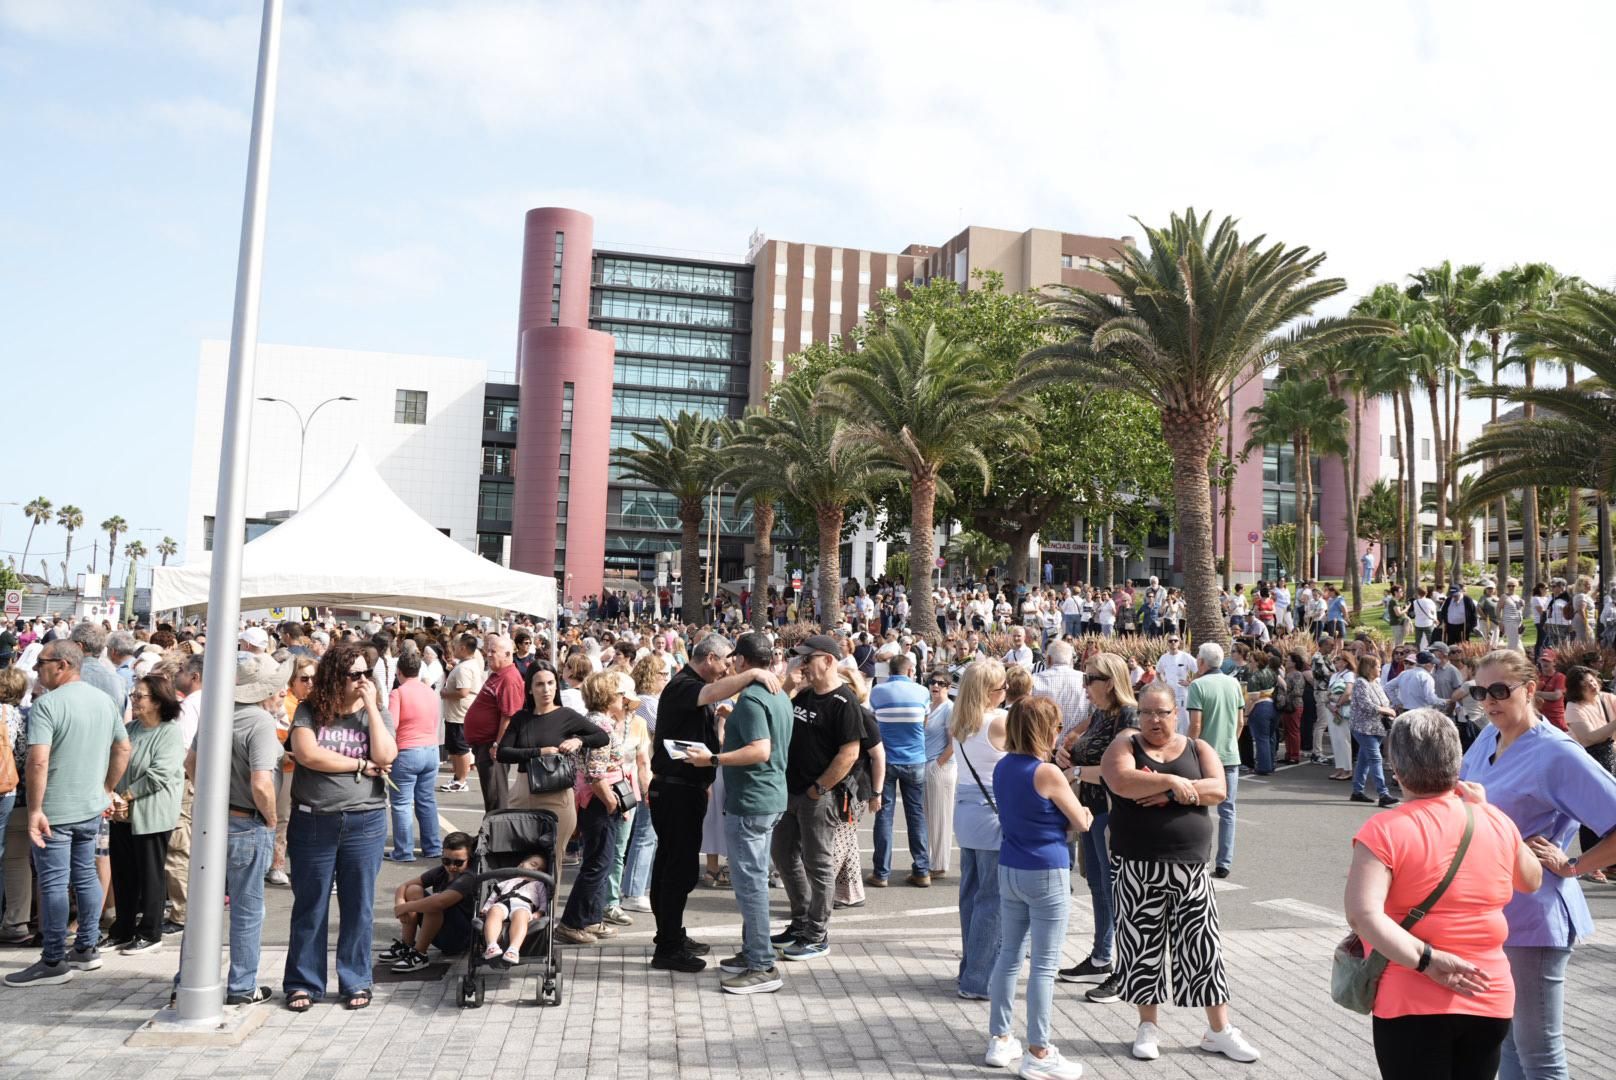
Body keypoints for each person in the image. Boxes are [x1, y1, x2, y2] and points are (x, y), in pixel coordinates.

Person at [1344, 709, 1543, 1080]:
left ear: (1397, 770)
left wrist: (1426, 962)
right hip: (1487, 991)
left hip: (1409, 993)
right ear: (1457, 762)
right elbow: (1531, 880)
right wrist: (1488, 811)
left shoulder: (1385, 829)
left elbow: (1362, 915)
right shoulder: (1493, 819)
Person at [1459, 648, 1616, 1078]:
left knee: (1540, 1054)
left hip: (1535, 918)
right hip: (1492, 914)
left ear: (1530, 690)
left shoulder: (1555, 753)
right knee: (1507, 1045)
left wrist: (1574, 864)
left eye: (1498, 690)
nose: (1488, 700)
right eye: (1479, 691)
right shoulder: (1488, 736)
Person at [1101, 683, 1260, 1064]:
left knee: (1203, 947)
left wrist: (1169, 793)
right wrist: (1174, 781)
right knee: (1142, 947)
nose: (1155, 720)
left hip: (1190, 865)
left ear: (1178, 713)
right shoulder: (1126, 744)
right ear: (1138, 715)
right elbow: (1121, 781)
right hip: (1136, 864)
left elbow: (1218, 790)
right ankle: (1147, 1026)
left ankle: (1218, 1030)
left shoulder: (1197, 748)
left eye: (1162, 712)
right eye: (1147, 713)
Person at [4, 641, 130, 987]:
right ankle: (87, 947)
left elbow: (38, 760)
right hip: (89, 806)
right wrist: (105, 787)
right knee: (85, 876)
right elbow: (123, 747)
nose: (37, 670)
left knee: (55, 883)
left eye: (41, 663)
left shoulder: (47, 705)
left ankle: (54, 958)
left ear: (61, 665)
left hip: (56, 809)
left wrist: (35, 811)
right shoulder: (103, 701)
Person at [981, 698, 1093, 1080]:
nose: (1060, 730)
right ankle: (1039, 1050)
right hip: (1045, 868)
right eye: (1056, 725)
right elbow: (1079, 820)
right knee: (1043, 966)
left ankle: (1000, 1037)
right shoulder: (1046, 772)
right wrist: (1085, 813)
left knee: (1009, 954)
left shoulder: (1004, 766)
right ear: (1045, 729)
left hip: (1010, 865)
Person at [282, 642, 398, 1013]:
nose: (363, 680)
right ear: (336, 676)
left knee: (358, 905)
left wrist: (373, 709)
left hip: (364, 819)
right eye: (355, 675)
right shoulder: (310, 709)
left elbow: (386, 755)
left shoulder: (373, 710)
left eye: (367, 674)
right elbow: (308, 754)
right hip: (314, 818)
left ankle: (356, 980)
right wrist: (360, 766)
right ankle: (304, 981)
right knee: (311, 905)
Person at [650, 634, 775, 972]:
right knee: (678, 869)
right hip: (675, 789)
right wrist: (750, 675)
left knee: (671, 866)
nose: (725, 670)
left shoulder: (691, 685)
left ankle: (671, 933)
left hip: (684, 788)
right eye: (723, 662)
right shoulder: (684, 684)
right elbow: (707, 693)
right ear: (709, 658)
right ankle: (668, 947)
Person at [683, 632, 793, 995]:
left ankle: (761, 964)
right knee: (753, 882)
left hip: (752, 801)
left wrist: (713, 759)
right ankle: (753, 954)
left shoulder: (754, 699)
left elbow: (760, 750)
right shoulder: (776, 696)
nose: (730, 665)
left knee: (751, 887)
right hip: (767, 798)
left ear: (743, 662)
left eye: (734, 659)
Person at [771, 635, 863, 965]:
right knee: (782, 854)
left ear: (827, 660)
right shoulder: (804, 693)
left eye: (808, 659)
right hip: (790, 790)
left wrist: (820, 788)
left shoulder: (843, 701)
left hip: (817, 795)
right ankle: (800, 922)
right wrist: (787, 687)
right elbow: (775, 718)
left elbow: (849, 753)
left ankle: (817, 933)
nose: (803, 665)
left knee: (818, 863)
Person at [1055, 652, 1136, 1001]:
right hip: (1089, 808)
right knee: (1098, 885)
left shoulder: (1128, 715)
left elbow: (1120, 768)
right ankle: (1102, 956)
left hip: (1112, 811)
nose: (1084, 685)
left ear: (1111, 681)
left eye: (1090, 679)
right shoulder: (1099, 714)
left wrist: (1073, 772)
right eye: (1084, 678)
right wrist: (1066, 756)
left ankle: (1126, 969)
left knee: (1117, 890)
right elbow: (1087, 755)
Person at [104, 674, 185, 954]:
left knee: (150, 875)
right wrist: (115, 796)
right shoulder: (131, 729)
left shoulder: (170, 732)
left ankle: (151, 931)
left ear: (158, 701)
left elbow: (160, 774)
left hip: (152, 813)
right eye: (134, 695)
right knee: (124, 874)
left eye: (140, 696)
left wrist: (126, 796)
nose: (134, 700)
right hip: (123, 813)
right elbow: (115, 762)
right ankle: (123, 929)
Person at [553, 671, 635, 945]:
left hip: (594, 799)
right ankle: (571, 923)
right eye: (620, 694)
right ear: (607, 696)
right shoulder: (601, 726)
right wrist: (612, 802)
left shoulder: (596, 721)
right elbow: (595, 773)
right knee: (598, 863)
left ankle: (592, 918)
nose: (623, 699)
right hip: (599, 801)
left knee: (601, 860)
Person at [951, 657, 1009, 1000]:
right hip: (993, 814)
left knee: (971, 896)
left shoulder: (960, 721)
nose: (1005, 693)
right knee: (992, 899)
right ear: (988, 692)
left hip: (967, 812)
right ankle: (979, 978)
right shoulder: (999, 722)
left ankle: (970, 968)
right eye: (1001, 688)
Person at [867, 652, 930, 888]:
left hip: (886, 761)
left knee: (884, 816)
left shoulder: (878, 692)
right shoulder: (922, 692)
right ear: (910, 671)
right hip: (915, 760)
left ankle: (881, 873)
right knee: (916, 816)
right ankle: (922, 870)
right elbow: (924, 722)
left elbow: (872, 724)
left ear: (889, 671)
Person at [1186, 643, 1243, 880]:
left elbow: (1196, 724)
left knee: (1197, 806)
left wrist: (1186, 749)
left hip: (1203, 756)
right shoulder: (1234, 683)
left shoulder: (1198, 685)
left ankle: (1198, 857)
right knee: (1227, 810)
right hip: (1229, 755)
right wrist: (1231, 743)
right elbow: (1240, 721)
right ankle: (1224, 862)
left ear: (1201, 662)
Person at [385, 832, 478, 973]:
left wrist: (405, 907)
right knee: (413, 889)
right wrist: (400, 904)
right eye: (446, 861)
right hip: (439, 930)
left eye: (458, 862)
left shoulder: (468, 878)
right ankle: (407, 946)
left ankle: (420, 954)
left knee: (433, 903)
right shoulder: (442, 872)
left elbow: (439, 902)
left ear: (469, 858)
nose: (451, 867)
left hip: (459, 939)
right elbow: (403, 887)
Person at [618, 655, 668, 913]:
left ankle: (633, 888)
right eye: (662, 674)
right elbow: (664, 730)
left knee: (645, 833)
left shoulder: (645, 702)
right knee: (645, 834)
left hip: (642, 768)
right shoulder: (648, 703)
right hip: (645, 769)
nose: (666, 678)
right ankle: (634, 891)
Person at [386, 650, 442, 862]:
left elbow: (392, 725)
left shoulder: (398, 693)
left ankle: (403, 851)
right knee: (426, 800)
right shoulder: (429, 691)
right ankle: (433, 846)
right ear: (418, 670)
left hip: (408, 750)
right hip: (431, 749)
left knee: (401, 803)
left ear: (399, 671)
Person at [1564, 665, 1616, 881]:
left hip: (1611, 758)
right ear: (1577, 689)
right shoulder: (1573, 707)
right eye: (1587, 684)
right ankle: (1590, 865)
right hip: (1589, 761)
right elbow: (1589, 738)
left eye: (1593, 680)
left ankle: (1610, 864)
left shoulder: (1607, 699)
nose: (1593, 685)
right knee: (1593, 813)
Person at [463, 635, 522, 813]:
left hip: (492, 746)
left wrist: (498, 744)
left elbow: (509, 716)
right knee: (492, 798)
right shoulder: (498, 674)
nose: (488, 654)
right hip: (485, 744)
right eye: (488, 650)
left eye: (493, 651)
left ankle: (497, 837)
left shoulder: (509, 678)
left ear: (507, 654)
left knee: (496, 799)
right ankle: (491, 834)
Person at [479, 854, 550, 967]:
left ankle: (513, 949)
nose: (535, 870)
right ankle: (491, 945)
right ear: (520, 865)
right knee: (494, 911)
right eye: (533, 865)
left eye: (540, 870)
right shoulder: (504, 883)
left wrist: (540, 912)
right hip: (502, 903)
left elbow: (544, 901)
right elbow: (493, 898)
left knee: (521, 916)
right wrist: (486, 908)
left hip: (523, 905)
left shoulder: (538, 884)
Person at [1350, 656, 1401, 808]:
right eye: (1377, 666)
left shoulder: (1376, 683)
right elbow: (1366, 705)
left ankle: (1357, 791)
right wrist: (1386, 710)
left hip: (1377, 727)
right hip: (1363, 727)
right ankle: (1383, 793)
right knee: (1375, 759)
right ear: (1369, 668)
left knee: (1364, 760)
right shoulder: (1360, 683)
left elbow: (1384, 700)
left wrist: (1389, 708)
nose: (1380, 669)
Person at [0, 668, 28, 945]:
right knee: (18, 861)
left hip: (7, 793)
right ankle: (17, 921)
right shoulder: (25, 716)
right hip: (17, 794)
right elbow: (24, 757)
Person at [437, 633, 482, 794]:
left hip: (460, 715)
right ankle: (457, 777)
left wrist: (444, 693)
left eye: (455, 646)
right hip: (456, 714)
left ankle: (461, 780)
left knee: (461, 748)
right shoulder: (465, 664)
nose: (452, 649)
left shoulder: (465, 667)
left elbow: (463, 692)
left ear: (463, 648)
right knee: (455, 747)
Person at [922, 669, 956, 879]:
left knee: (940, 817)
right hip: (926, 765)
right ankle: (930, 860)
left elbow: (954, 743)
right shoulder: (927, 706)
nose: (935, 686)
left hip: (941, 768)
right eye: (932, 682)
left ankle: (939, 864)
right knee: (928, 818)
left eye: (941, 683)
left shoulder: (949, 709)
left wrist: (937, 764)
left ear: (948, 687)